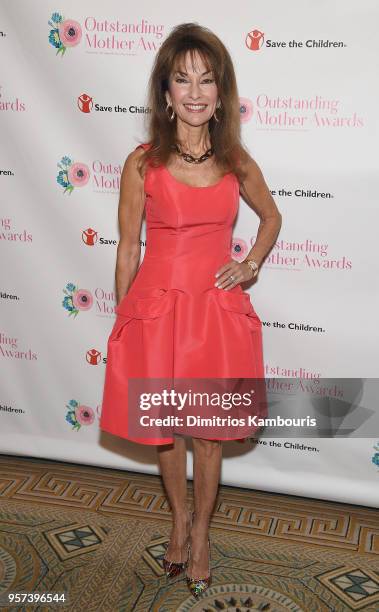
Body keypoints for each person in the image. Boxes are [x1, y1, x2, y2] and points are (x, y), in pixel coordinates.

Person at [100, 22, 282, 599]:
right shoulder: (141, 163)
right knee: (163, 433)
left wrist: (250, 262)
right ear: (165, 92)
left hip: (215, 314)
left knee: (208, 435)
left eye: (207, 79)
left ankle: (201, 532)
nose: (196, 92)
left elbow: (272, 217)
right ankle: (176, 519)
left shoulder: (235, 160)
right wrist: (122, 320)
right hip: (156, 311)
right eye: (183, 79)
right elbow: (128, 247)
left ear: (222, 92)